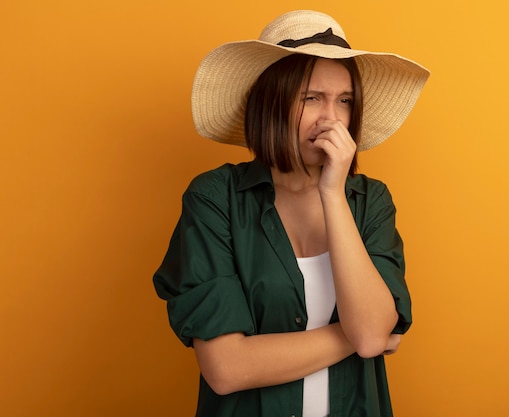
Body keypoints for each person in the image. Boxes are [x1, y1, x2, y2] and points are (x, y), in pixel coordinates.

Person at [153, 9, 430, 417]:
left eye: (345, 101)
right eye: (311, 98)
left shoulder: (370, 202)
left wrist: (333, 194)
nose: (330, 119)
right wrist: (353, 335)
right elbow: (226, 368)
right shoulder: (216, 199)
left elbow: (372, 336)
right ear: (271, 103)